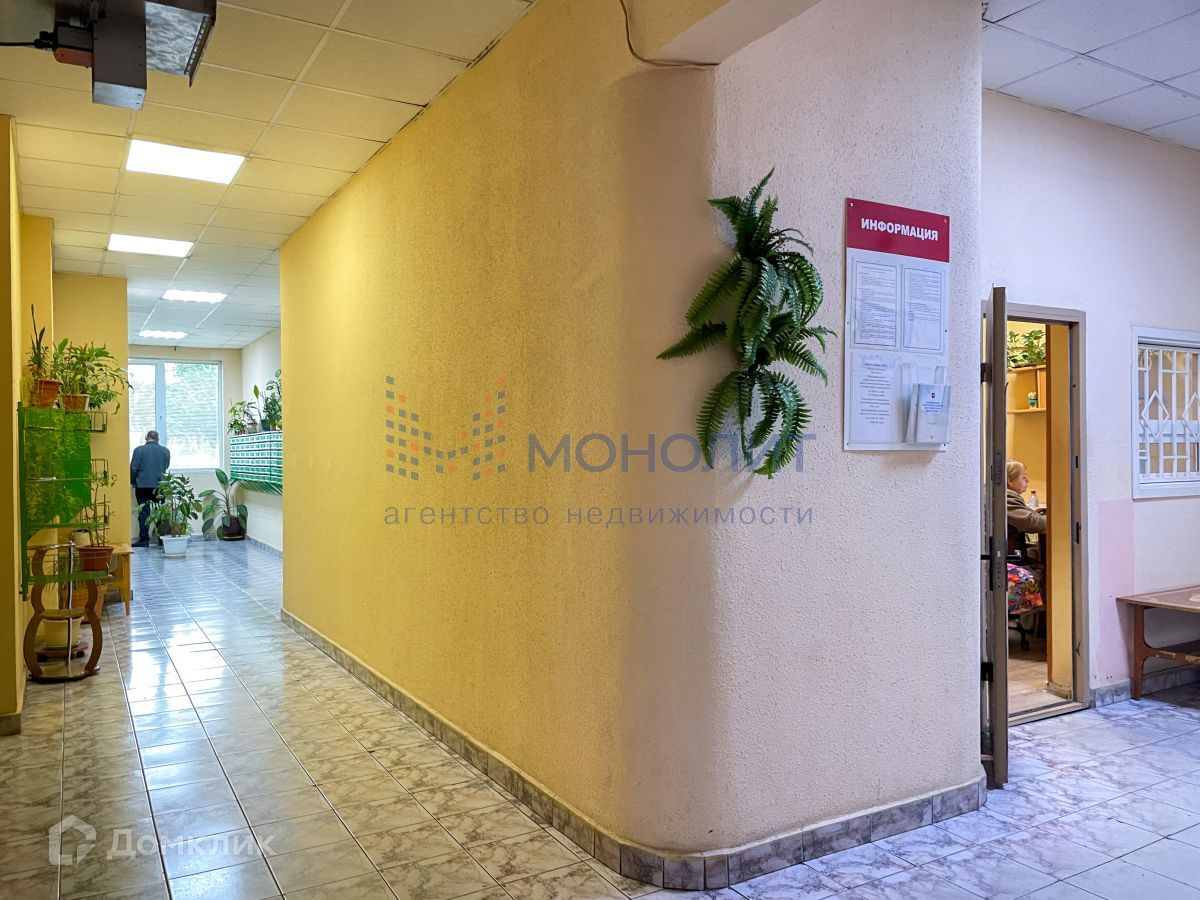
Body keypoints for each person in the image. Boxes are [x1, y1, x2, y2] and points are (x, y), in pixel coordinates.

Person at [131, 430, 170, 547]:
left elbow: (133, 468)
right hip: (160, 486)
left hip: (143, 486)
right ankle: (162, 539)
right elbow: (165, 466)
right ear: (158, 439)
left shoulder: (139, 450)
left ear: (146, 438)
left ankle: (144, 540)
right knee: (160, 512)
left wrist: (133, 481)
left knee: (144, 513)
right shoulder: (165, 451)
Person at [1006, 459, 1047, 559]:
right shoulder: (1006, 497)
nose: (1027, 480)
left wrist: (1033, 513)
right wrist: (1056, 519)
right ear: (1010, 481)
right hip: (1012, 558)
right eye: (1023, 477)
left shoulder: (1004, 495)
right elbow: (1032, 523)